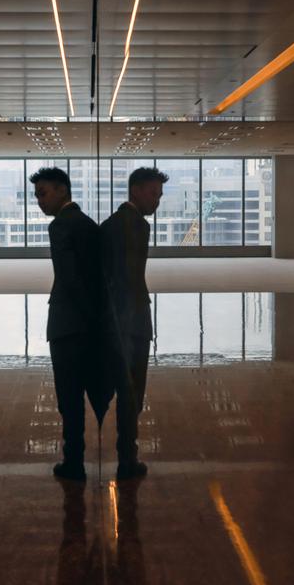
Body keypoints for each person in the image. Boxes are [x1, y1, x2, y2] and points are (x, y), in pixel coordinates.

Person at [31, 167, 108, 482]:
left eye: (43, 193)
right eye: (37, 196)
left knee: (69, 396)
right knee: (86, 391)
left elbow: (69, 277)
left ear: (63, 190)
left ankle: (73, 461)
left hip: (68, 325)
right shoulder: (88, 223)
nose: (40, 201)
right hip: (90, 323)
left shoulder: (61, 226)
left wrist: (79, 316)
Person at [101, 167, 166, 481]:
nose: (157, 200)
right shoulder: (135, 225)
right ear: (136, 190)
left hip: (118, 319)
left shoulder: (111, 224)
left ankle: (125, 451)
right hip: (131, 321)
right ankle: (127, 457)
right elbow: (128, 279)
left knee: (123, 389)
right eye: (154, 193)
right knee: (132, 391)